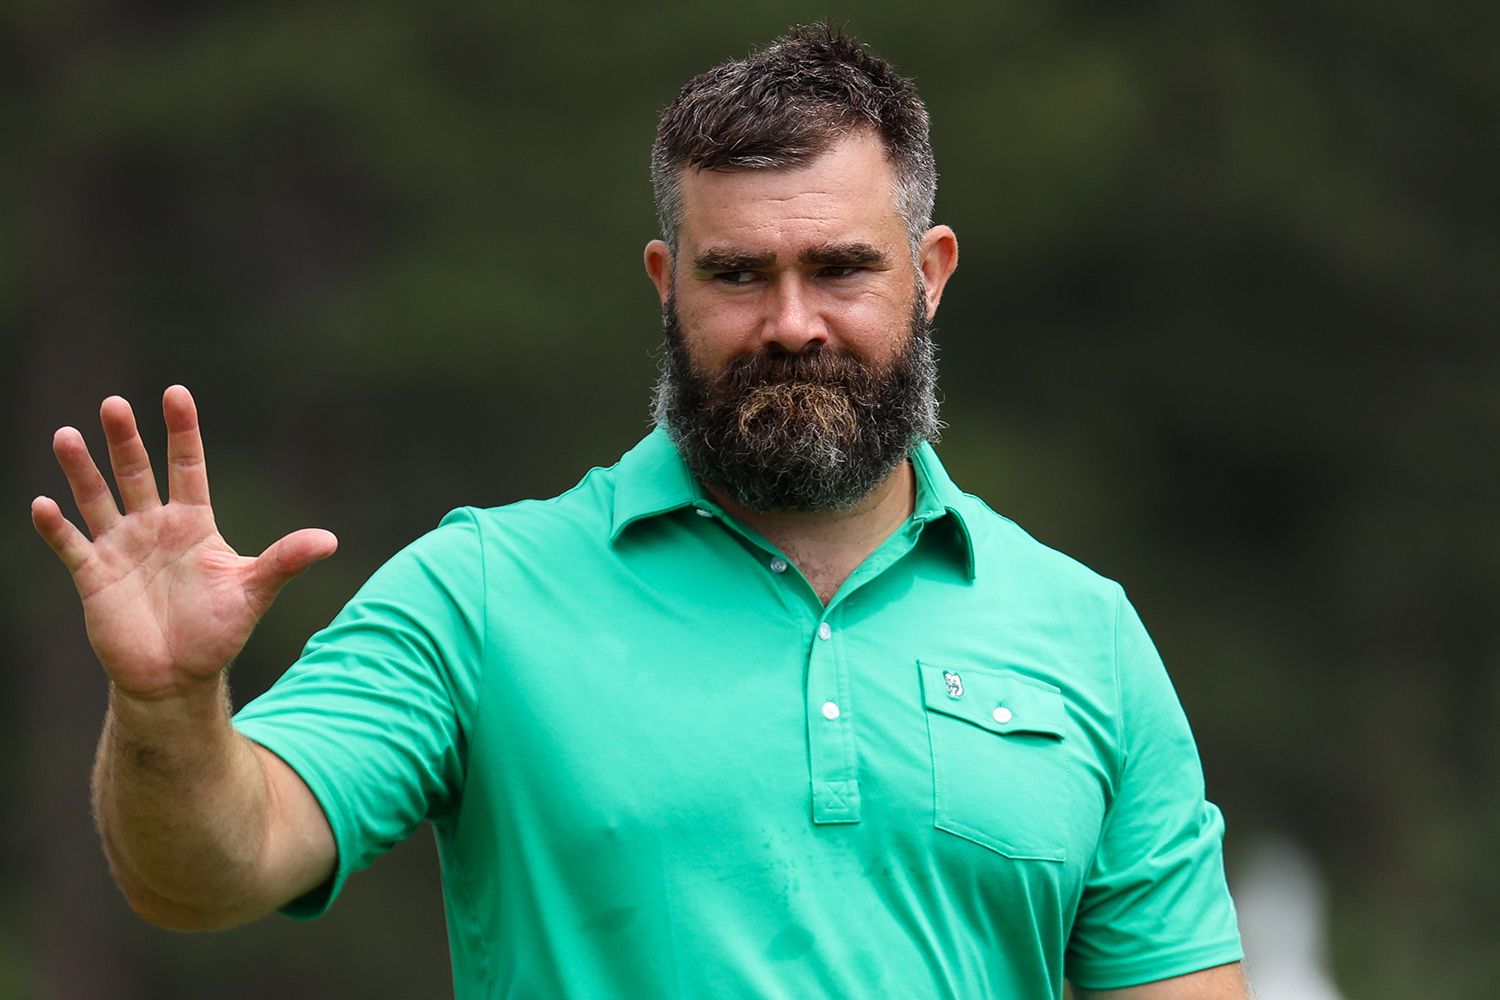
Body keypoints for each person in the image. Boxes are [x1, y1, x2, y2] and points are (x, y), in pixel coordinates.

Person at [31, 25, 1249, 1000]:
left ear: (927, 272)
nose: (789, 322)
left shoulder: (1085, 633)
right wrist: (170, 703)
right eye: (737, 274)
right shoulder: (482, 594)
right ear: (669, 284)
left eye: (838, 268)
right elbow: (205, 871)